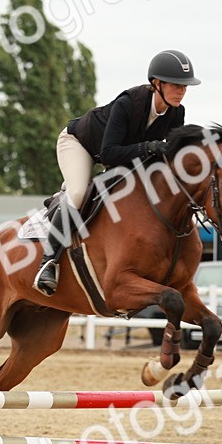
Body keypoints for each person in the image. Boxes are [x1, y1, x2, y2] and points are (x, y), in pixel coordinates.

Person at [33, 49, 200, 296]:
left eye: (184, 86)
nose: (181, 91)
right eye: (176, 85)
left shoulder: (177, 112)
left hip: (121, 155)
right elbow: (109, 153)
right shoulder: (127, 104)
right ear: (157, 83)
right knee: (78, 192)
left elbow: (169, 158)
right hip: (81, 144)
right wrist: (148, 147)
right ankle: (48, 262)